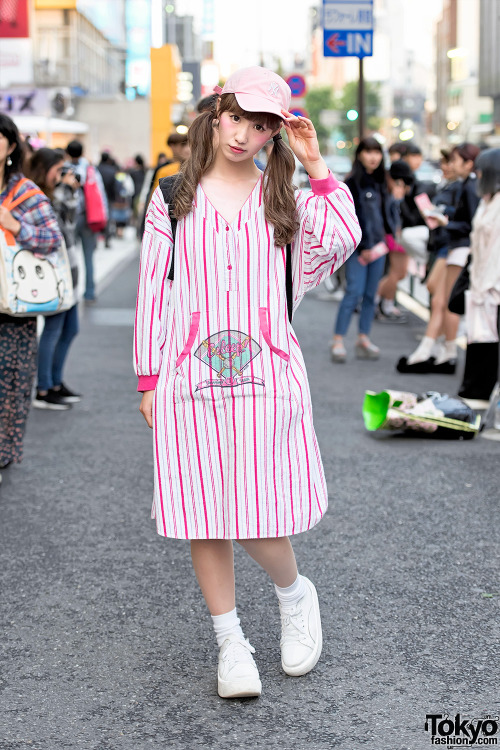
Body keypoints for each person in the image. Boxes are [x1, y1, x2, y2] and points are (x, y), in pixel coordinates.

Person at [134, 66, 361, 699]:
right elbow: (154, 290)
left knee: (260, 511)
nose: (243, 134)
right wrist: (149, 377)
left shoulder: (281, 197)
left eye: (261, 126)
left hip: (267, 371)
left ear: (273, 136)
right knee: (203, 514)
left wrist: (316, 165)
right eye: (236, 117)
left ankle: (295, 596)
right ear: (214, 115)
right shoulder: (172, 194)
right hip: (187, 376)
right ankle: (230, 641)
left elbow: (340, 242)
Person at [0, 115, 62, 481]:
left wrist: (16, 225)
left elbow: (52, 238)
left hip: (14, 304)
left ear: (10, 147)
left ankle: (4, 451)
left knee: (9, 381)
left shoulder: (23, 192)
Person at [398, 142, 480, 374]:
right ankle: (440, 349)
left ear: (467, 163)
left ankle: (439, 350)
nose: (448, 165)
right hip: (451, 245)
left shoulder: (467, 185)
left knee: (445, 302)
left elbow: (470, 222)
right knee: (440, 298)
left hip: (457, 245)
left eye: (451, 160)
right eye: (446, 161)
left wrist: (446, 220)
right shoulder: (462, 184)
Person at [24, 147, 82, 410]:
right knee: (54, 329)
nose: (62, 175)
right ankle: (44, 388)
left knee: (70, 329)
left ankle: (55, 383)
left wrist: (69, 189)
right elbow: (57, 230)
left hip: (66, 268)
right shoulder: (39, 198)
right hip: (53, 273)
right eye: (58, 169)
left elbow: (72, 219)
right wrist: (66, 191)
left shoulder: (54, 194)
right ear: (44, 168)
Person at [331, 136, 396, 362]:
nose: (373, 157)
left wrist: (389, 238)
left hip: (379, 248)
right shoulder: (352, 183)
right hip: (359, 249)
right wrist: (364, 245)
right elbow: (354, 218)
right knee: (353, 293)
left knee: (371, 295)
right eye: (368, 152)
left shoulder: (382, 181)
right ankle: (338, 340)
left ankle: (363, 338)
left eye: (377, 152)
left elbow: (385, 215)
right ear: (360, 155)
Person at [458, 148, 500, 400]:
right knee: (480, 338)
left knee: (489, 342)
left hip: (492, 285)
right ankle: (477, 391)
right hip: (481, 283)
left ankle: (483, 392)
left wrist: (486, 286)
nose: (478, 174)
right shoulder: (488, 200)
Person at [66, 140, 107, 302]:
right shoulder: (90, 170)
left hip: (69, 218)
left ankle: (69, 292)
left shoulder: (65, 169)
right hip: (88, 216)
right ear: (82, 152)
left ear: (68, 153)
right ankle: (89, 292)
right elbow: (100, 193)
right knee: (88, 257)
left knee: (69, 256)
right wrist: (104, 216)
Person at [375, 159, 414, 322]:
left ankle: (384, 304)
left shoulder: (388, 187)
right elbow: (394, 213)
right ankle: (376, 302)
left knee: (397, 273)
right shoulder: (394, 190)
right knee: (398, 273)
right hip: (395, 236)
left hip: (394, 235)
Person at [97, 152, 117, 247]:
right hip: (109, 197)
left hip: (97, 198)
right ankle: (107, 239)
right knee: (108, 218)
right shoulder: (111, 170)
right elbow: (114, 186)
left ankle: (96, 239)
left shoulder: (96, 169)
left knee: (97, 217)